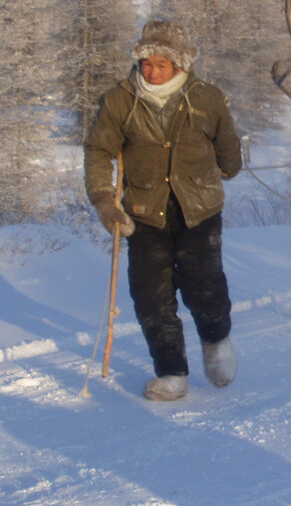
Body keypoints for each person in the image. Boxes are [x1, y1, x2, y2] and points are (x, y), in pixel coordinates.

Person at [84, 21, 242, 401]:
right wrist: (105, 201)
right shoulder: (120, 100)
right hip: (142, 212)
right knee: (151, 295)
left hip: (198, 210)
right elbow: (99, 151)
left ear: (180, 64)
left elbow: (229, 153)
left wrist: (221, 169)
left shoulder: (206, 97)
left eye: (161, 63)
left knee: (204, 285)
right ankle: (172, 372)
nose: (151, 71)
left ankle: (216, 341)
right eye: (145, 62)